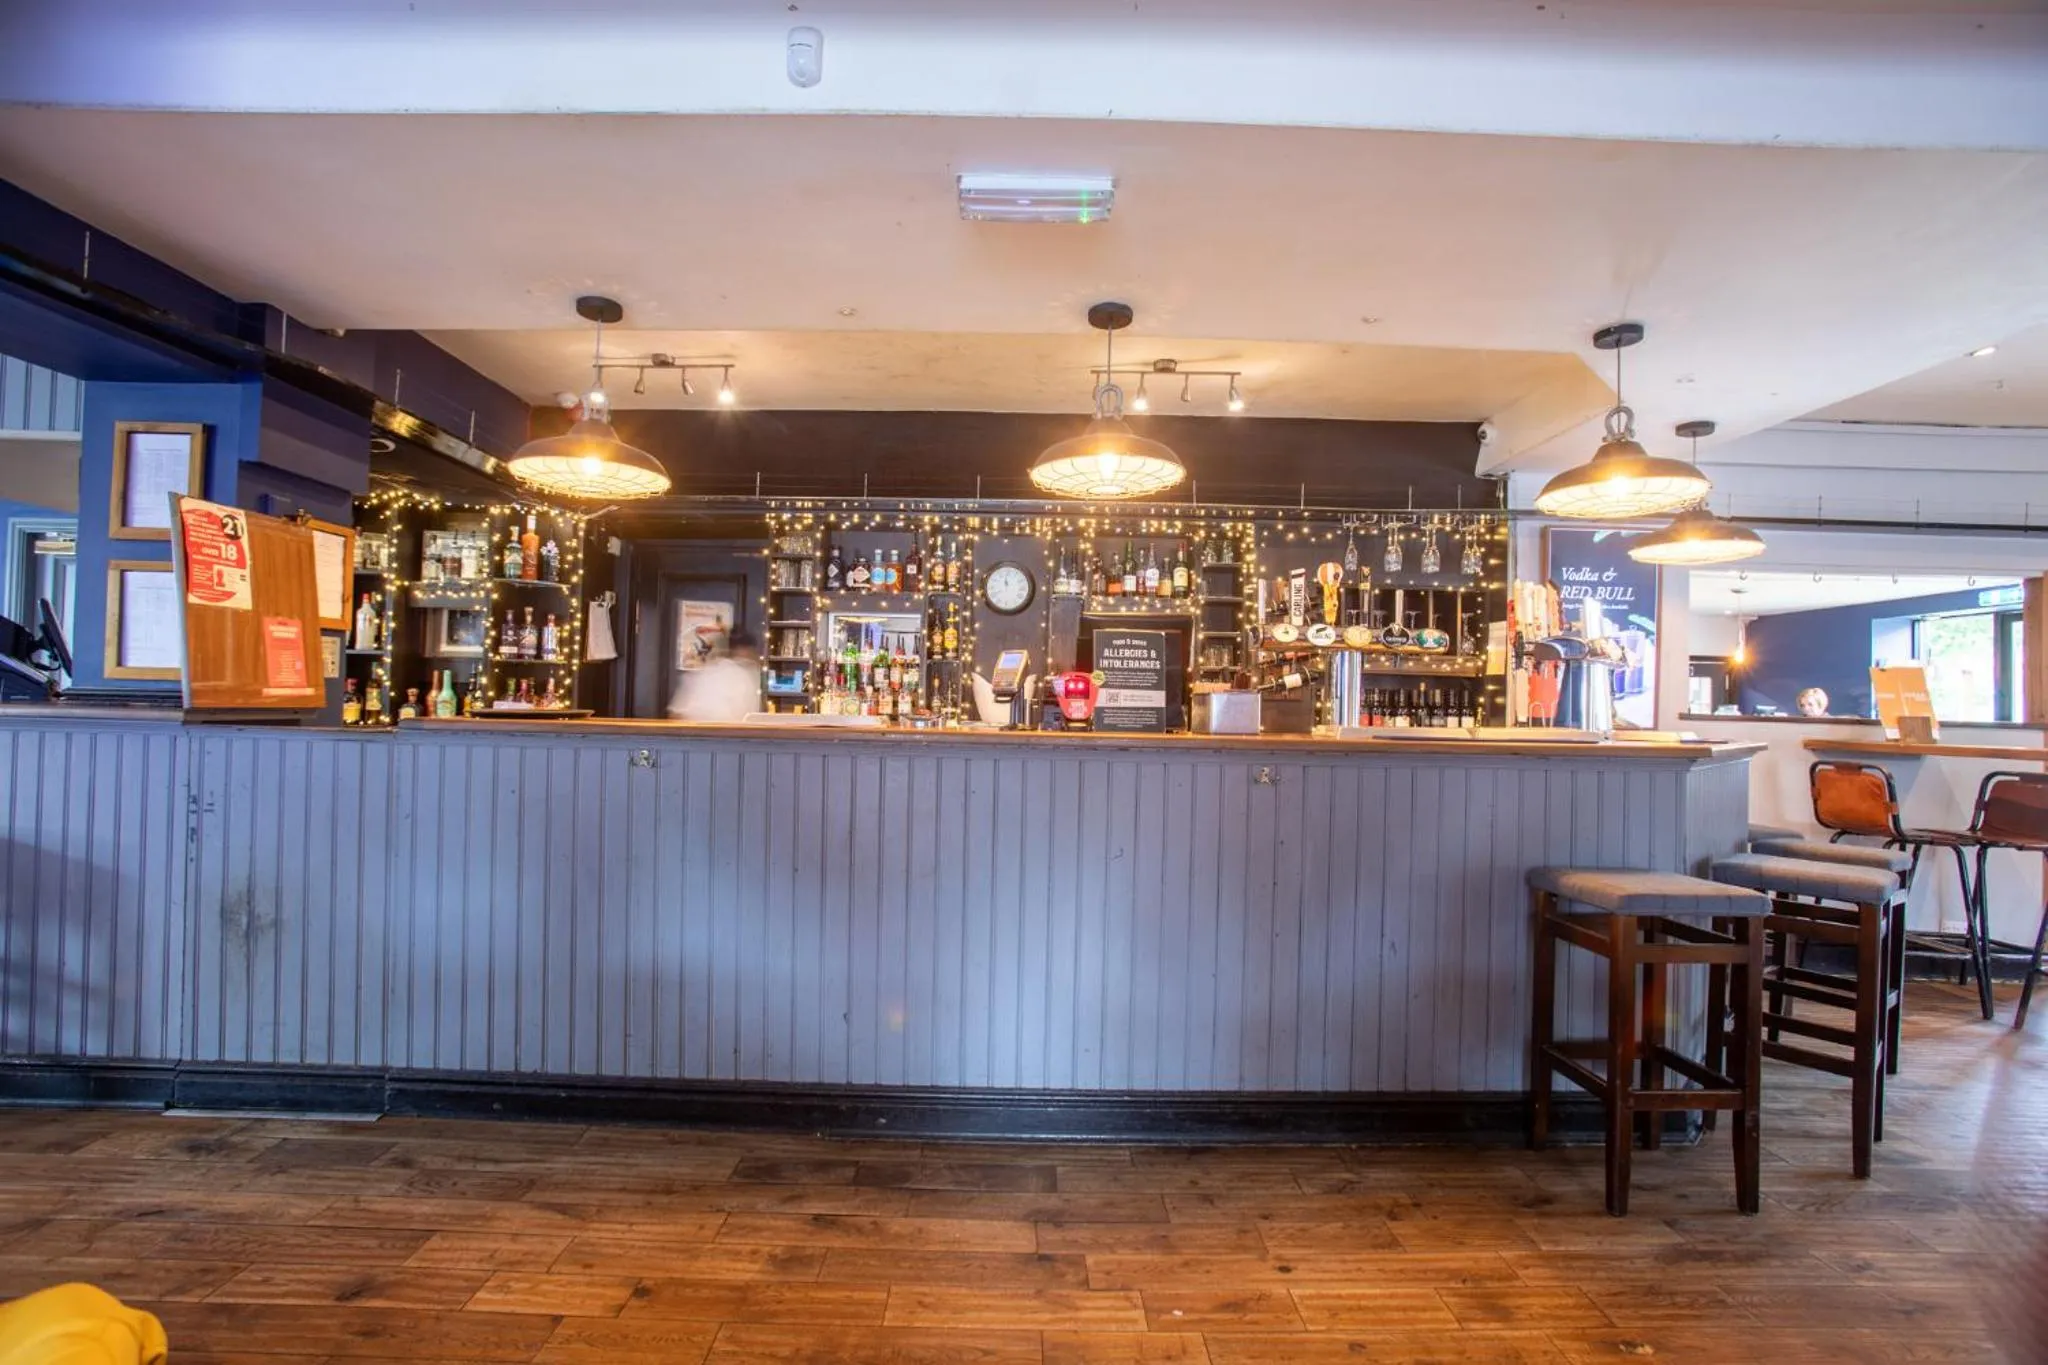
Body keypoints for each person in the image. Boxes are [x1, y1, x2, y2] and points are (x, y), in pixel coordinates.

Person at [668, 627, 759, 723]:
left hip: (693, 734)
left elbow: (675, 716)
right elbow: (747, 722)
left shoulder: (701, 674)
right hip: (721, 734)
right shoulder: (743, 679)